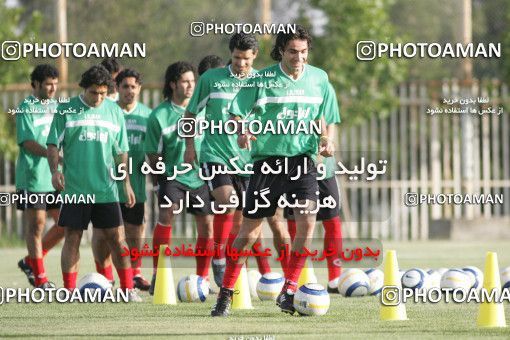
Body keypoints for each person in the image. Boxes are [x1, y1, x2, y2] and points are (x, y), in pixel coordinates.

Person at [211, 25, 334, 316]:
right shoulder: (263, 78)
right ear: (281, 50)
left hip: (303, 162)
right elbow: (236, 112)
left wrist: (326, 140)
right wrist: (242, 132)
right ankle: (226, 293)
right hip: (267, 163)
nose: (299, 57)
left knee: (307, 224)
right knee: (250, 232)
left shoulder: (319, 78)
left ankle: (289, 290)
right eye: (293, 51)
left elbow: (323, 118)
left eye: (303, 51)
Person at [184, 34, 288, 288]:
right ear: (231, 54)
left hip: (250, 160)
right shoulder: (211, 79)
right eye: (237, 58)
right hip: (215, 154)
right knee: (228, 202)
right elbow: (190, 112)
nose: (241, 63)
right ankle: (218, 257)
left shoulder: (262, 81)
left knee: (248, 216)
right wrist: (189, 146)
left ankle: (241, 264)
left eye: (247, 59)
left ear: (255, 58)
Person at [46, 65, 141, 301]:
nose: (98, 98)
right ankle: (68, 292)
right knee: (73, 237)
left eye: (102, 93)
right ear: (83, 89)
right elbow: (52, 145)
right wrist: (55, 171)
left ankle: (128, 290)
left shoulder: (114, 111)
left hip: (106, 190)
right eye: (93, 93)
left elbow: (121, 152)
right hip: (76, 190)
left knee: (117, 240)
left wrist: (126, 183)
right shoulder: (66, 110)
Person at [145, 61, 214, 294]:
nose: (190, 86)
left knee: (206, 225)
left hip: (201, 176)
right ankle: (158, 273)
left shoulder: (203, 110)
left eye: (193, 81)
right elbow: (153, 155)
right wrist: (160, 181)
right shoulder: (158, 116)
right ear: (173, 83)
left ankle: (202, 279)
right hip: (172, 176)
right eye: (185, 81)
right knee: (167, 213)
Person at [92, 68, 152, 290]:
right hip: (106, 185)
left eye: (133, 86)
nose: (129, 90)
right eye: (124, 86)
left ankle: (135, 274)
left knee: (135, 232)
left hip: (134, 183)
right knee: (101, 234)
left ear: (139, 88)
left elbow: (154, 150)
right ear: (117, 89)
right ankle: (104, 276)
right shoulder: (106, 111)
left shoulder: (147, 115)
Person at [286, 82, 343, 293]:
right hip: (295, 166)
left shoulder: (323, 86)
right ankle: (296, 277)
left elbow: (331, 123)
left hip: (323, 168)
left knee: (331, 217)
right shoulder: (285, 89)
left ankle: (335, 278)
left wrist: (325, 150)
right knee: (295, 219)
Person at [15, 64, 65, 288]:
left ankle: (30, 262)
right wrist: (52, 154)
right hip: (33, 177)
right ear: (35, 84)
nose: (53, 88)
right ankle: (41, 278)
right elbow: (27, 142)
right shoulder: (25, 107)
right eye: (48, 84)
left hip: (54, 176)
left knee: (65, 223)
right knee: (37, 224)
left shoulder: (57, 107)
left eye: (55, 83)